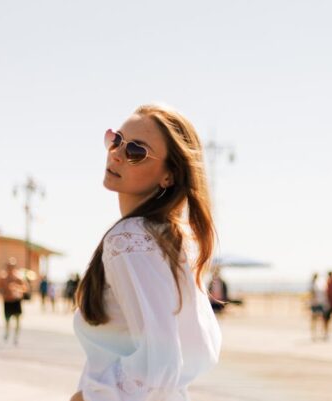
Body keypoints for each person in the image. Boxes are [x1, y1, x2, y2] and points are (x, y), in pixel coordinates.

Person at [70, 104, 222, 401]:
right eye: (116, 140)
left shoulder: (129, 239)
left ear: (169, 176)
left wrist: (87, 397)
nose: (116, 154)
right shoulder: (169, 239)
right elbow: (195, 349)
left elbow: (160, 364)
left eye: (136, 152)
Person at [0, 257, 28, 345]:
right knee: (7, 319)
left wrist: (18, 289)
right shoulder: (3, 277)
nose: (10, 267)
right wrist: (4, 292)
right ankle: (7, 332)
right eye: (9, 266)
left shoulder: (19, 277)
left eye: (12, 266)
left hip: (16, 301)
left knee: (17, 319)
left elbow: (25, 288)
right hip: (7, 301)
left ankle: (16, 337)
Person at [308, 273, 326, 341]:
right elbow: (313, 294)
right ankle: (315, 334)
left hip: (317, 303)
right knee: (316, 319)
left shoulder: (316, 284)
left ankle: (317, 333)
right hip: (316, 304)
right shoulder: (314, 285)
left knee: (318, 319)